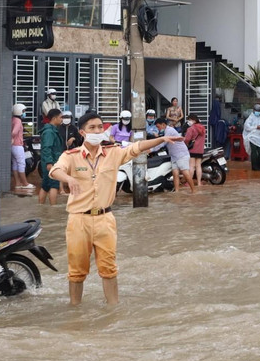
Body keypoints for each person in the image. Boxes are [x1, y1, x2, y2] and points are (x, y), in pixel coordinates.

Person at [49, 111, 182, 305]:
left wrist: (161, 139)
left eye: (100, 127)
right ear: (82, 132)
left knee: (109, 269)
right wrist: (68, 178)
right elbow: (55, 170)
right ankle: (75, 309)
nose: (97, 131)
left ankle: (113, 309)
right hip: (78, 220)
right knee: (77, 271)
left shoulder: (113, 153)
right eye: (91, 128)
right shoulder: (71, 156)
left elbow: (136, 147)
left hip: (105, 219)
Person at [163, 116, 196, 194]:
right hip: (174, 156)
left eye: (158, 126)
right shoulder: (166, 131)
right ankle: (177, 191)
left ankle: (194, 190)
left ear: (163, 124)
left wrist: (151, 148)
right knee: (175, 174)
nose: (157, 128)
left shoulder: (169, 130)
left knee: (185, 173)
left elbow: (163, 142)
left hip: (181, 155)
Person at [39, 107, 65, 205]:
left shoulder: (50, 130)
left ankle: (41, 206)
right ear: (54, 118)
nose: (62, 119)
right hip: (52, 162)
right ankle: (52, 209)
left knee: (45, 185)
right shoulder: (49, 132)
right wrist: (49, 162)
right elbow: (47, 148)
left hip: (50, 161)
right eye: (60, 117)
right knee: (54, 185)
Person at [9, 103, 34, 196]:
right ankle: (25, 183)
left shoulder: (13, 119)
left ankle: (17, 183)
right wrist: (13, 137)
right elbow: (14, 132)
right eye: (23, 111)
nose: (24, 113)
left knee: (15, 164)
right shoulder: (18, 121)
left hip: (12, 146)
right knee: (21, 164)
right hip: (18, 145)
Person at [185, 114, 207, 185]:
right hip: (200, 150)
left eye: (189, 120)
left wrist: (186, 143)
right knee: (198, 166)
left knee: (191, 166)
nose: (188, 121)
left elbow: (187, 139)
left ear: (193, 120)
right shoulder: (203, 128)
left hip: (192, 149)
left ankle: (189, 183)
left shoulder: (191, 129)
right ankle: (199, 183)